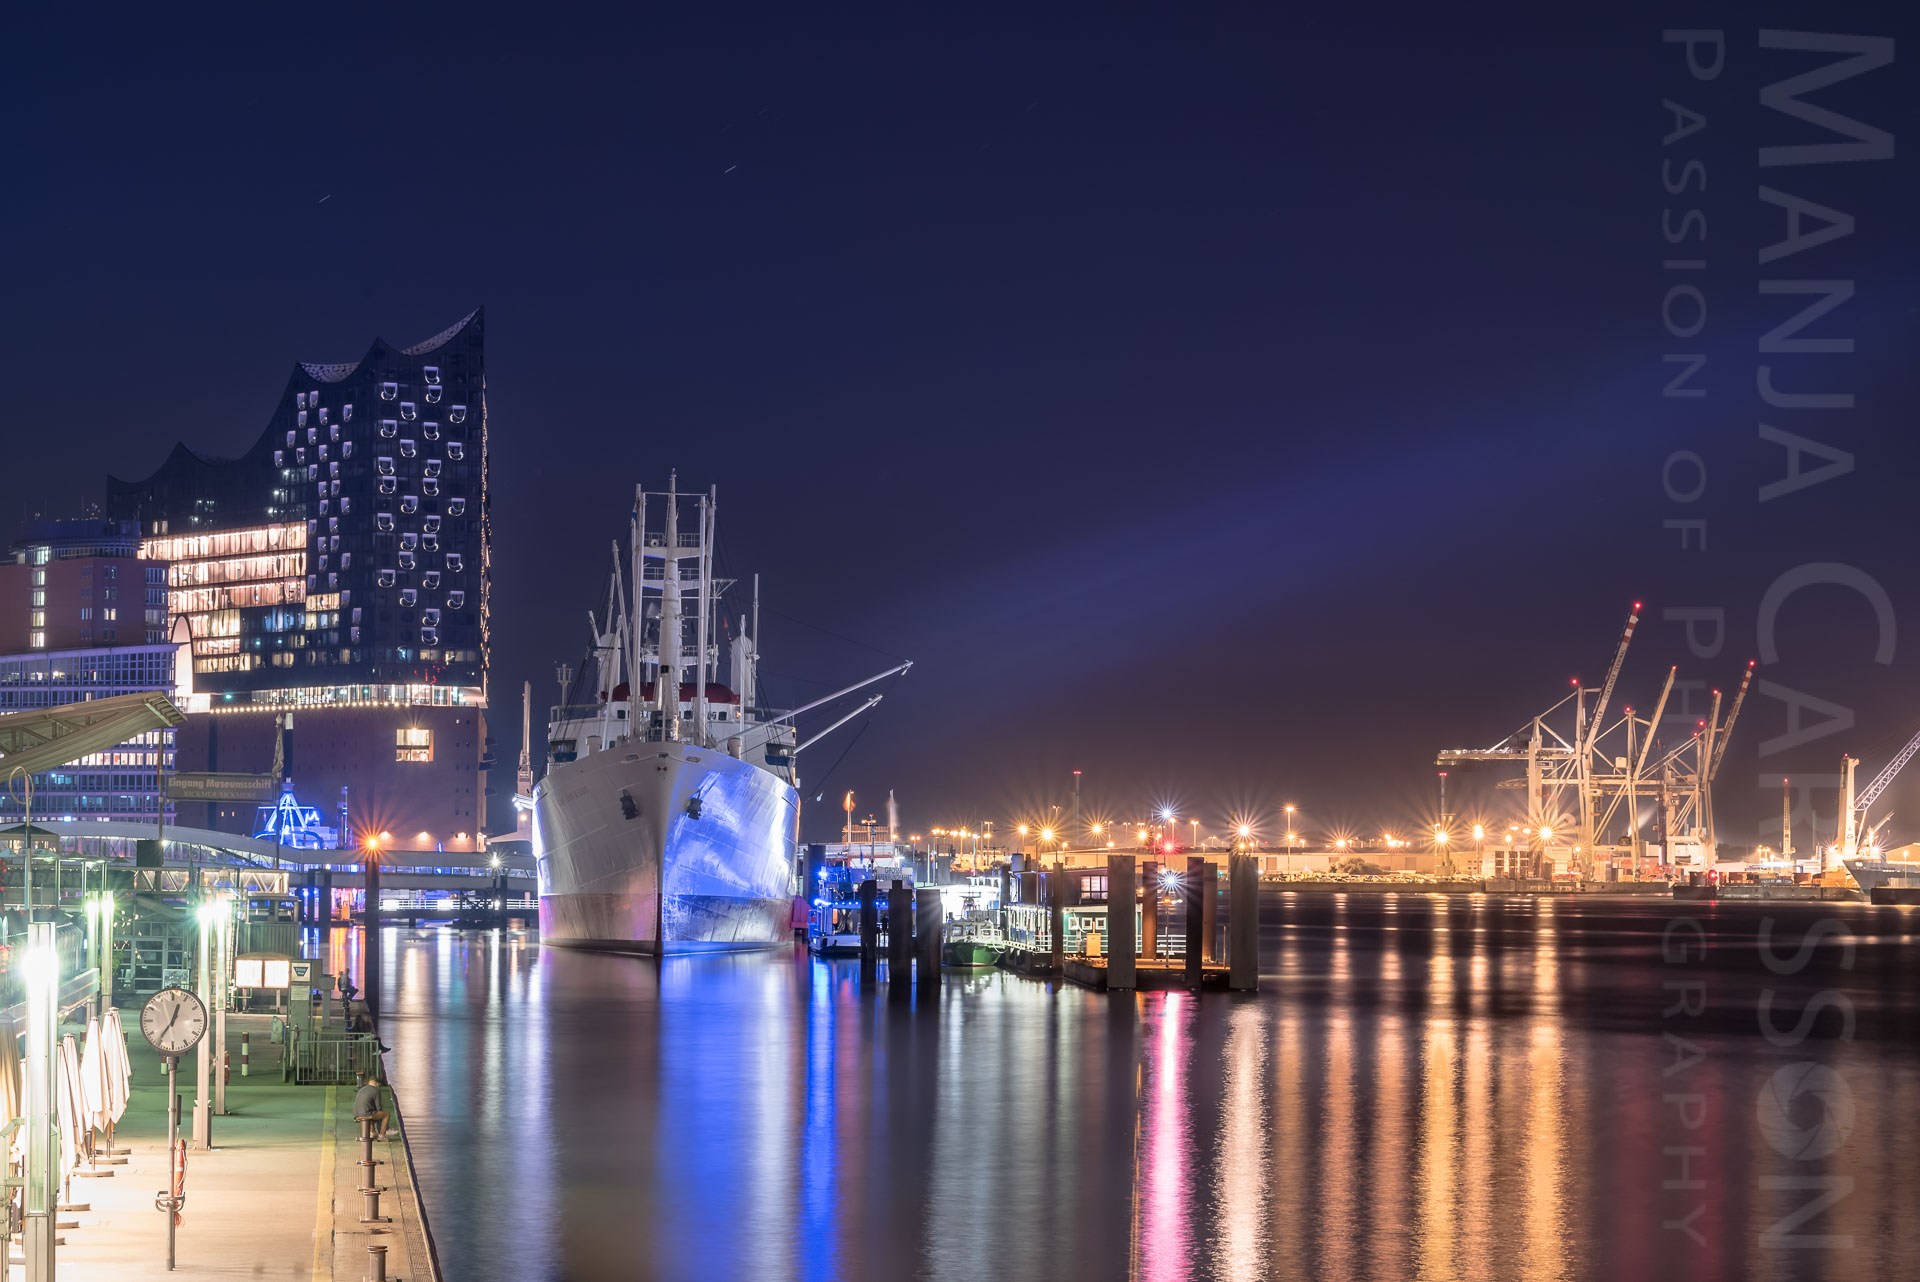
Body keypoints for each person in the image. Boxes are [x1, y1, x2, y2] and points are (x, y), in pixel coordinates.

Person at [353, 1071, 397, 1140]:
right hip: (366, 1114)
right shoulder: (375, 1091)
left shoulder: (362, 1089)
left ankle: (372, 1132)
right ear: (376, 1084)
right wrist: (381, 1124)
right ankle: (382, 1135)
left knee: (371, 1112)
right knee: (386, 1114)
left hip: (356, 1115)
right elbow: (378, 1107)